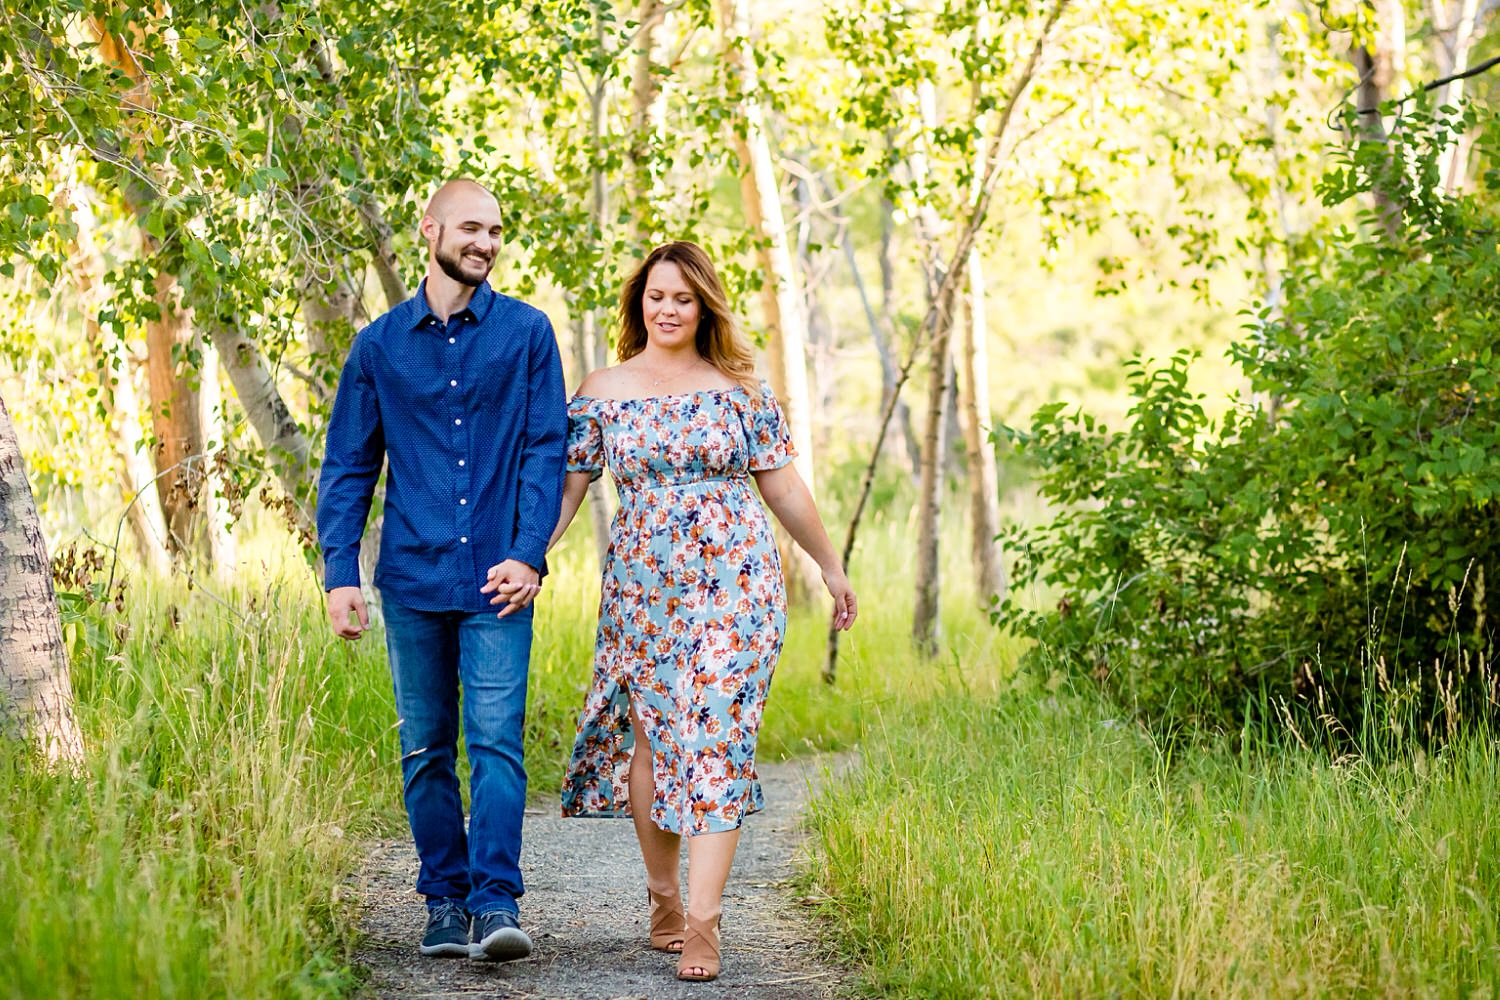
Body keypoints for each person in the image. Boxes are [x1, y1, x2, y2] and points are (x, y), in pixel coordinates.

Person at [547, 240, 857, 982]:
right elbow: (569, 488)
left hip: (738, 586)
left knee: (716, 737)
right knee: (654, 740)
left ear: (704, 306)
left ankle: (705, 922)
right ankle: (663, 898)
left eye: (683, 298)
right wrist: (532, 555)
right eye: (656, 297)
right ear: (638, 305)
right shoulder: (602, 390)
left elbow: (782, 488)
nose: (668, 309)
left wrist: (830, 563)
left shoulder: (741, 391)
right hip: (642, 590)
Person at [316, 178, 566, 963]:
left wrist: (529, 554)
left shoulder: (528, 335)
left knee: (496, 744)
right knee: (424, 747)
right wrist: (339, 572)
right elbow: (349, 465)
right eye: (470, 229)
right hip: (414, 580)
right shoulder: (380, 346)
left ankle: (495, 903)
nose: (484, 244)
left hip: (500, 580)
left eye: (494, 231)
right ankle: (442, 904)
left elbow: (544, 451)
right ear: (429, 230)